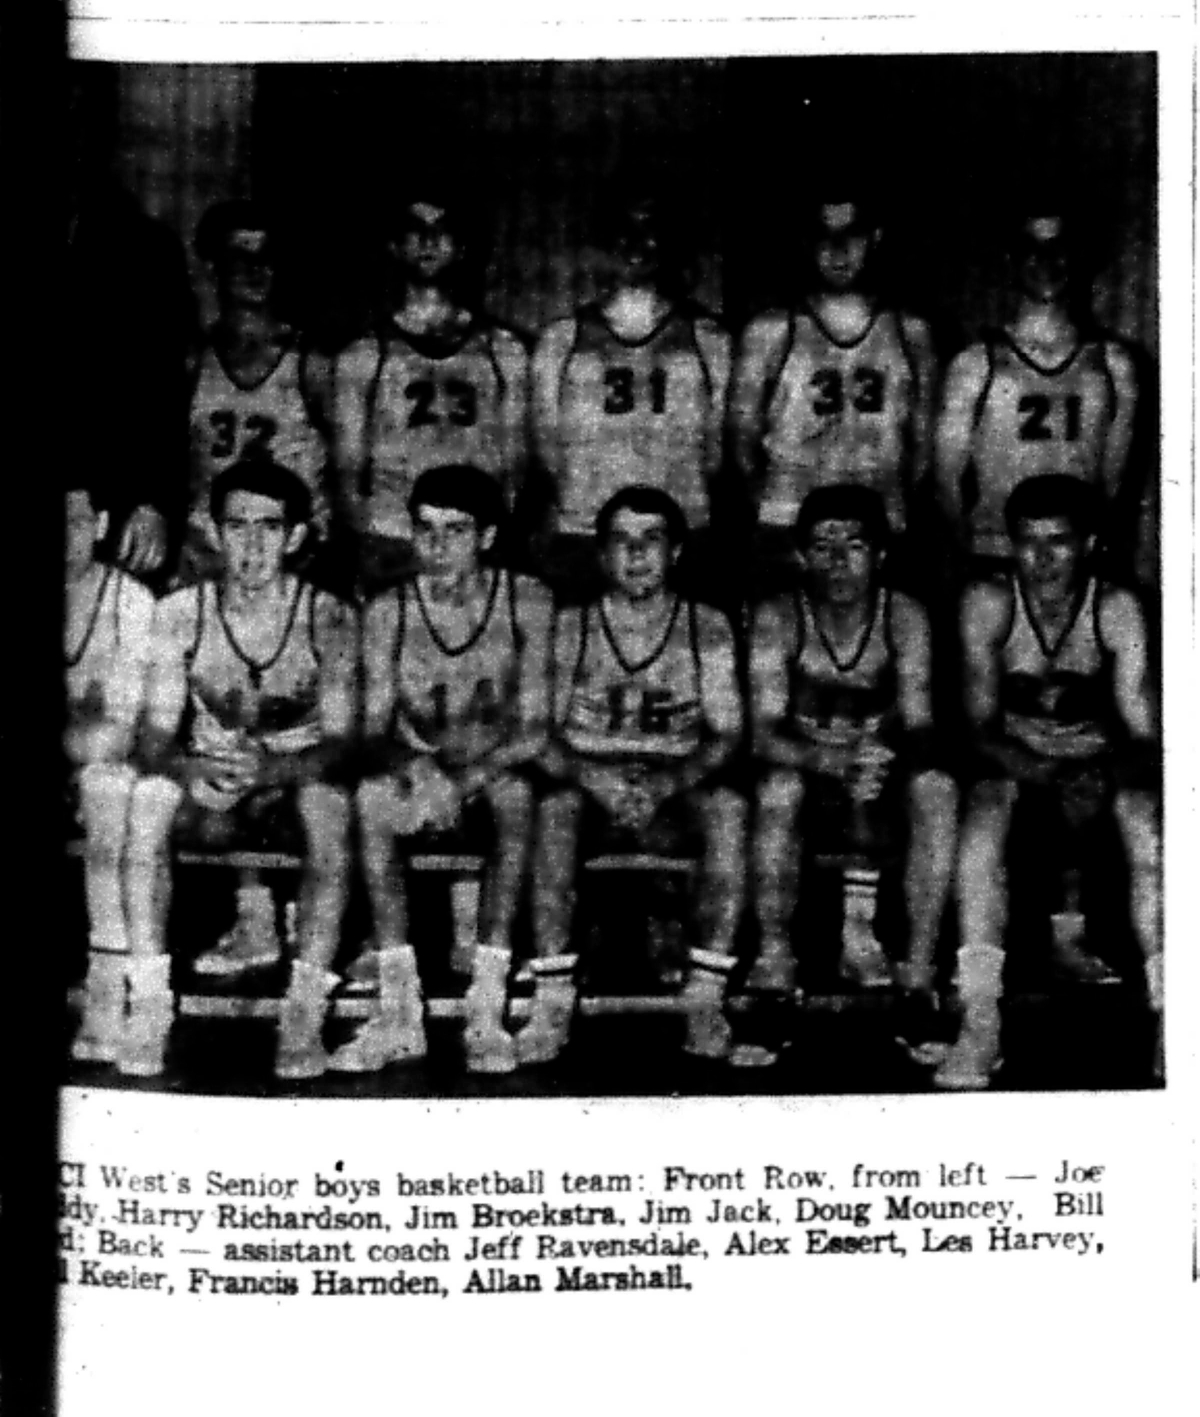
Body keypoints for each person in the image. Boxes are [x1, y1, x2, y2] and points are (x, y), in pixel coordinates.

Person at [126, 456, 357, 1079]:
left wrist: (273, 773)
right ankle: (147, 1006)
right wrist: (186, 766)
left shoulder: (328, 614)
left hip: (292, 775)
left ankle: (304, 1015)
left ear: (296, 537)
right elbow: (150, 735)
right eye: (237, 526)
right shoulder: (179, 612)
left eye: (268, 527)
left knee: (329, 803)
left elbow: (341, 742)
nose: (252, 545)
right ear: (213, 531)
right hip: (216, 779)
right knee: (147, 795)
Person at [941, 474, 1160, 1088]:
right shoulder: (988, 601)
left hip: (1096, 766)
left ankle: (1173, 1019)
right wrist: (1040, 769)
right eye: (1027, 542)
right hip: (1019, 763)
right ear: (1008, 544)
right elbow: (978, 724)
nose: (1041, 559)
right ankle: (980, 1020)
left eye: (1058, 542)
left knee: (1148, 827)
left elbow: (1147, 735)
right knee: (981, 826)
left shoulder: (1115, 608)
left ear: (1089, 543)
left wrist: (1097, 776)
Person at [332, 465, 553, 1075]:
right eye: (424, 530)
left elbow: (535, 728)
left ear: (486, 536)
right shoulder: (386, 610)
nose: (436, 546)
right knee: (372, 798)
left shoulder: (526, 600)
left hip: (492, 769)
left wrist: (463, 779)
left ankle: (487, 1007)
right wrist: (420, 768)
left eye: (455, 531)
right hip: (419, 768)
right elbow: (371, 729)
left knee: (516, 798)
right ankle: (399, 1012)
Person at [517, 486, 746, 1065]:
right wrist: (595, 778)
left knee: (730, 809)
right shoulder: (569, 626)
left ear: (676, 552)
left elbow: (727, 733)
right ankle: (551, 1000)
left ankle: (704, 999)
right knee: (553, 810)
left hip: (675, 780)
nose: (636, 554)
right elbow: (536, 733)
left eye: (652, 540)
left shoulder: (709, 625)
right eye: (621, 540)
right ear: (599, 554)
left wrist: (669, 783)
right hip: (587, 778)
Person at [745, 486, 958, 1063]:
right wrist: (832, 762)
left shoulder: (905, 614)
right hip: (806, 769)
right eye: (822, 546)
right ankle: (773, 972)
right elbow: (762, 732)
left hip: (875, 767)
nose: (837, 562)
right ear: (800, 556)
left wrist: (880, 763)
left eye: (853, 546)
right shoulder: (779, 616)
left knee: (936, 788)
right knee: (777, 789)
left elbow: (921, 725)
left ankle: (917, 980)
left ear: (881, 555)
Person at [530, 191, 733, 601]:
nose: (635, 243)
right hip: (585, 531)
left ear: (669, 239)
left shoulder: (709, 339)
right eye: (622, 231)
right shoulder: (562, 339)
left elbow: (715, 454)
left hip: (682, 531)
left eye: (649, 229)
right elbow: (549, 450)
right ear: (604, 242)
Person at [730, 195, 937, 594]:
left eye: (852, 235)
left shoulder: (911, 332)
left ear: (876, 238)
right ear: (806, 243)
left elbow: (924, 447)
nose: (838, 249)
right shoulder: (771, 330)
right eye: (824, 235)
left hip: (879, 527)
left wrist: (893, 507)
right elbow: (742, 441)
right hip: (788, 522)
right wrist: (772, 514)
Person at [330, 194, 530, 594]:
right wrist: (371, 543)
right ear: (394, 246)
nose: (428, 240)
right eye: (415, 230)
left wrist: (488, 536)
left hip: (471, 542)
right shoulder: (365, 353)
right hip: (394, 538)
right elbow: (348, 474)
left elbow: (515, 467)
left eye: (442, 230)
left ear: (462, 248)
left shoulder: (503, 349)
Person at [935, 210, 1138, 573]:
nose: (1046, 261)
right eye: (1032, 248)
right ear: (1012, 260)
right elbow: (947, 479)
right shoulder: (976, 363)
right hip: (999, 552)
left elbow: (1113, 481)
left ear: (1076, 257)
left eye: (1058, 247)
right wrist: (970, 553)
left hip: (1078, 557)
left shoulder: (1114, 364)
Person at [184, 200, 334, 585]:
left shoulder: (310, 361)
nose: (256, 270)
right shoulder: (194, 359)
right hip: (208, 552)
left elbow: (343, 470)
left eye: (267, 257)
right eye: (240, 257)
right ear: (214, 265)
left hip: (292, 553)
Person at [65, 480, 156, 1068]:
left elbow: (119, 732)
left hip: (97, 771)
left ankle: (108, 982)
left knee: (111, 786)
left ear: (100, 525)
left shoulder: (131, 601)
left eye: (73, 522)